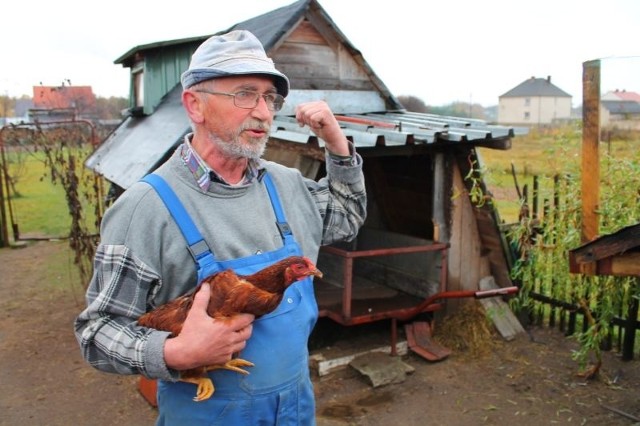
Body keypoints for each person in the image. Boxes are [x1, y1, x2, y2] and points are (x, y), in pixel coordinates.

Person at [74, 29, 366, 425]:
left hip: (294, 409)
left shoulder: (288, 185)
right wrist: (174, 354)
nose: (264, 112)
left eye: (270, 98)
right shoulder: (144, 209)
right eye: (245, 94)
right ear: (195, 105)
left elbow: (347, 217)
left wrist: (336, 143)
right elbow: (97, 332)